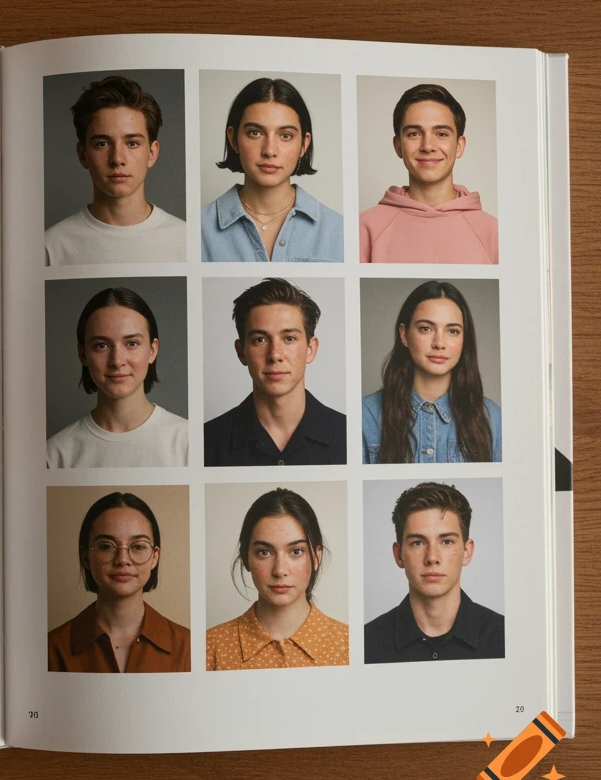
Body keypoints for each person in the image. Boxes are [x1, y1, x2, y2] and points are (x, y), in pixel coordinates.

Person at [44, 75, 186, 265]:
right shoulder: (51, 247)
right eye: (102, 144)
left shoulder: (187, 241)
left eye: (132, 143)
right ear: (83, 154)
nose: (117, 159)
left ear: (152, 153)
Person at [204, 278, 346, 466]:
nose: (275, 355)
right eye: (259, 340)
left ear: (310, 349)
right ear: (241, 352)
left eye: (289, 338)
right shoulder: (206, 441)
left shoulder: (349, 435)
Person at [201, 77, 342, 262]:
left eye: (285, 135)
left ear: (304, 144)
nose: (269, 150)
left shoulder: (339, 229)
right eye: (255, 132)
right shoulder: (198, 228)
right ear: (233, 138)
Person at [206, 488, 348, 670]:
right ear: (245, 557)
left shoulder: (349, 645)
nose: (280, 570)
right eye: (264, 552)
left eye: (296, 551)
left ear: (317, 557)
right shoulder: (210, 647)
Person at [48, 491, 190, 673]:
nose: (123, 560)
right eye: (106, 546)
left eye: (138, 546)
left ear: (155, 557)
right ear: (85, 557)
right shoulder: (51, 649)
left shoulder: (188, 647)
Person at [46, 287, 188, 468]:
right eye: (102, 345)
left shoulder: (189, 442)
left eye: (132, 343)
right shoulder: (55, 454)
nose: (117, 361)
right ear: (83, 354)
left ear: (152, 351)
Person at [363, 281, 501, 463]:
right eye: (426, 329)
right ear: (404, 335)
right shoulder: (365, 415)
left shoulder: (491, 416)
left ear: (464, 339)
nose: (439, 343)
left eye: (452, 331)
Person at [364, 482, 504, 662]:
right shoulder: (366, 643)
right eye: (418, 543)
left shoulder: (505, 637)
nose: (432, 557)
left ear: (467, 552)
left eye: (446, 542)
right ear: (398, 554)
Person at [360, 83, 498, 264]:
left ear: (459, 145)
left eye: (441, 134)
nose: (428, 146)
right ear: (398, 146)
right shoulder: (364, 227)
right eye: (414, 134)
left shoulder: (493, 231)